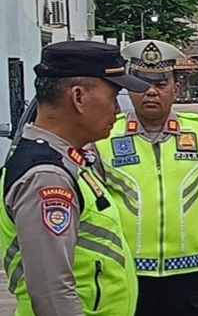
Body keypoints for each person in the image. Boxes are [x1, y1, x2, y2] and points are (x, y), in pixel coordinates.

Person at [0, 41, 151, 315]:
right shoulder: (46, 176)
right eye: (112, 97)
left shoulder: (66, 159)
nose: (117, 110)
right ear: (78, 97)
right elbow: (53, 294)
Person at [92, 39, 198, 316]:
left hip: (188, 275)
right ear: (129, 90)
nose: (151, 92)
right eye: (142, 84)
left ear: (176, 90)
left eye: (160, 84)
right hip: (124, 272)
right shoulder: (104, 138)